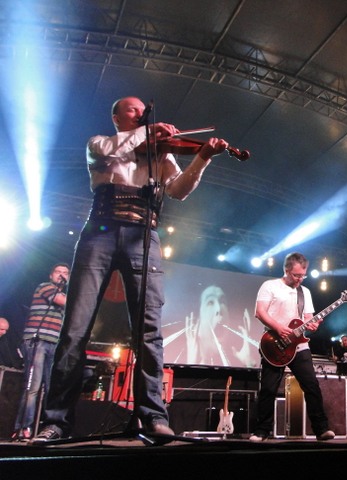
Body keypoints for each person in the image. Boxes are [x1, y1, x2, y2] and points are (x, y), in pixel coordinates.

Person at [33, 96, 230, 443]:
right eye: (132, 109)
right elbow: (111, 152)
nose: (140, 113)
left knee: (149, 331)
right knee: (75, 329)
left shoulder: (159, 154)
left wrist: (203, 158)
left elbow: (179, 190)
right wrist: (147, 132)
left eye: (143, 109)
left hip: (144, 235)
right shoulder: (100, 143)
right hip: (100, 232)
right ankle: (57, 421)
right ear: (116, 116)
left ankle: (153, 416)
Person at [249, 252, 335, 442]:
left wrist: (313, 324)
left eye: (303, 275)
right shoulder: (270, 286)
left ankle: (321, 429)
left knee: (311, 386)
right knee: (269, 388)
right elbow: (260, 312)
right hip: (274, 344)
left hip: (299, 346)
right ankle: (261, 431)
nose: (300, 279)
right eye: (296, 275)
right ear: (286, 270)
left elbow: (307, 318)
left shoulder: (305, 292)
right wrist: (278, 327)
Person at [12, 263, 70, 441]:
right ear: (51, 275)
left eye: (65, 273)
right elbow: (63, 301)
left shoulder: (65, 295)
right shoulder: (45, 287)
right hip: (37, 341)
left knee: (51, 388)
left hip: (54, 343)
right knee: (33, 387)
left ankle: (47, 427)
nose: (61, 275)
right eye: (58, 272)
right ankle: (24, 428)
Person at [185, 285, 258, 367]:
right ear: (196, 324)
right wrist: (190, 365)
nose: (218, 309)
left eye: (222, 302)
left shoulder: (238, 365)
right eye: (210, 302)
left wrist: (249, 362)